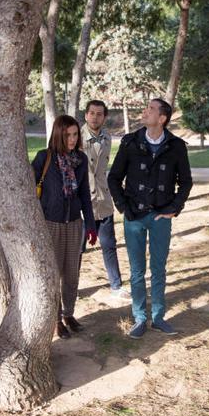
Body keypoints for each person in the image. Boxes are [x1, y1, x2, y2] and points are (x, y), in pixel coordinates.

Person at [108, 98, 192, 339]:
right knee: (136, 271)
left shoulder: (176, 146)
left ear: (162, 118)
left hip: (160, 218)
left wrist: (174, 207)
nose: (145, 111)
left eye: (151, 109)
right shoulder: (130, 142)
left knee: (158, 269)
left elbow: (185, 182)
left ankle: (158, 317)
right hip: (134, 216)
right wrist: (124, 207)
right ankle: (139, 318)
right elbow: (114, 178)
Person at [32, 115, 98, 339]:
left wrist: (90, 225)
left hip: (74, 225)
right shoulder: (44, 158)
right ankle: (56, 319)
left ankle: (69, 314)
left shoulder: (80, 159)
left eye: (75, 134)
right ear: (58, 134)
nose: (72, 139)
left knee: (71, 274)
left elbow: (84, 196)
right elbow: (29, 190)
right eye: (68, 134)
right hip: (50, 225)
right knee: (53, 275)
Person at [80, 100, 130, 300]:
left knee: (109, 245)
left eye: (99, 114)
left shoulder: (107, 138)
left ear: (104, 117)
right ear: (86, 115)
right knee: (76, 249)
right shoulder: (74, 136)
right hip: (82, 203)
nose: (95, 117)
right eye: (92, 113)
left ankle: (116, 286)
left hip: (103, 201)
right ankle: (68, 289)